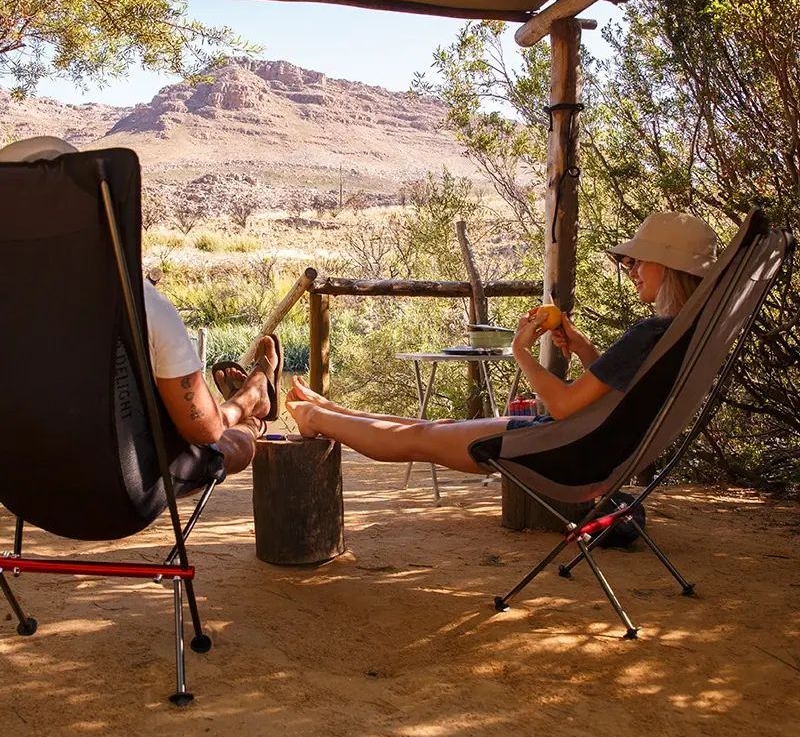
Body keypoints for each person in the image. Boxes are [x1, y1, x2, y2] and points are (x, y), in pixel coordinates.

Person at [286, 211, 718, 474]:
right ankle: (331, 412)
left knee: (422, 435)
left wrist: (520, 351)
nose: (631, 268)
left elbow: (563, 405)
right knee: (433, 428)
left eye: (639, 260)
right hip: (588, 446)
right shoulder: (676, 334)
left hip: (563, 449)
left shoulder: (652, 332)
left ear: (669, 266)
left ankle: (316, 418)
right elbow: (621, 389)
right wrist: (584, 348)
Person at [0, 136, 279, 483]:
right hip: (122, 492)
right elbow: (205, 430)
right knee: (226, 444)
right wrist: (237, 412)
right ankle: (253, 406)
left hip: (23, 486)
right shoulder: (141, 302)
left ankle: (249, 399)